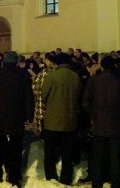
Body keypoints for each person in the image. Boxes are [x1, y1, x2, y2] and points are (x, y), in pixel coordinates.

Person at [0, 51, 35, 187]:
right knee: (16, 148)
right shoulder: (22, 76)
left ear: (4, 62)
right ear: (16, 62)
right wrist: (29, 116)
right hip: (16, 118)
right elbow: (29, 98)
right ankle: (14, 176)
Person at [82, 55, 120, 188]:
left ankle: (97, 182)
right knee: (115, 156)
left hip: (98, 123)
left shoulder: (94, 80)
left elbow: (86, 101)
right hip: (115, 123)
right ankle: (115, 182)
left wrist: (92, 115)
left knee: (98, 155)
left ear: (102, 65)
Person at [41, 52, 81, 185]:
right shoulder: (75, 77)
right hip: (70, 120)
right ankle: (66, 179)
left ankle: (51, 177)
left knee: (50, 152)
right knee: (67, 153)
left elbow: (43, 96)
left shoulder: (52, 76)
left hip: (52, 120)